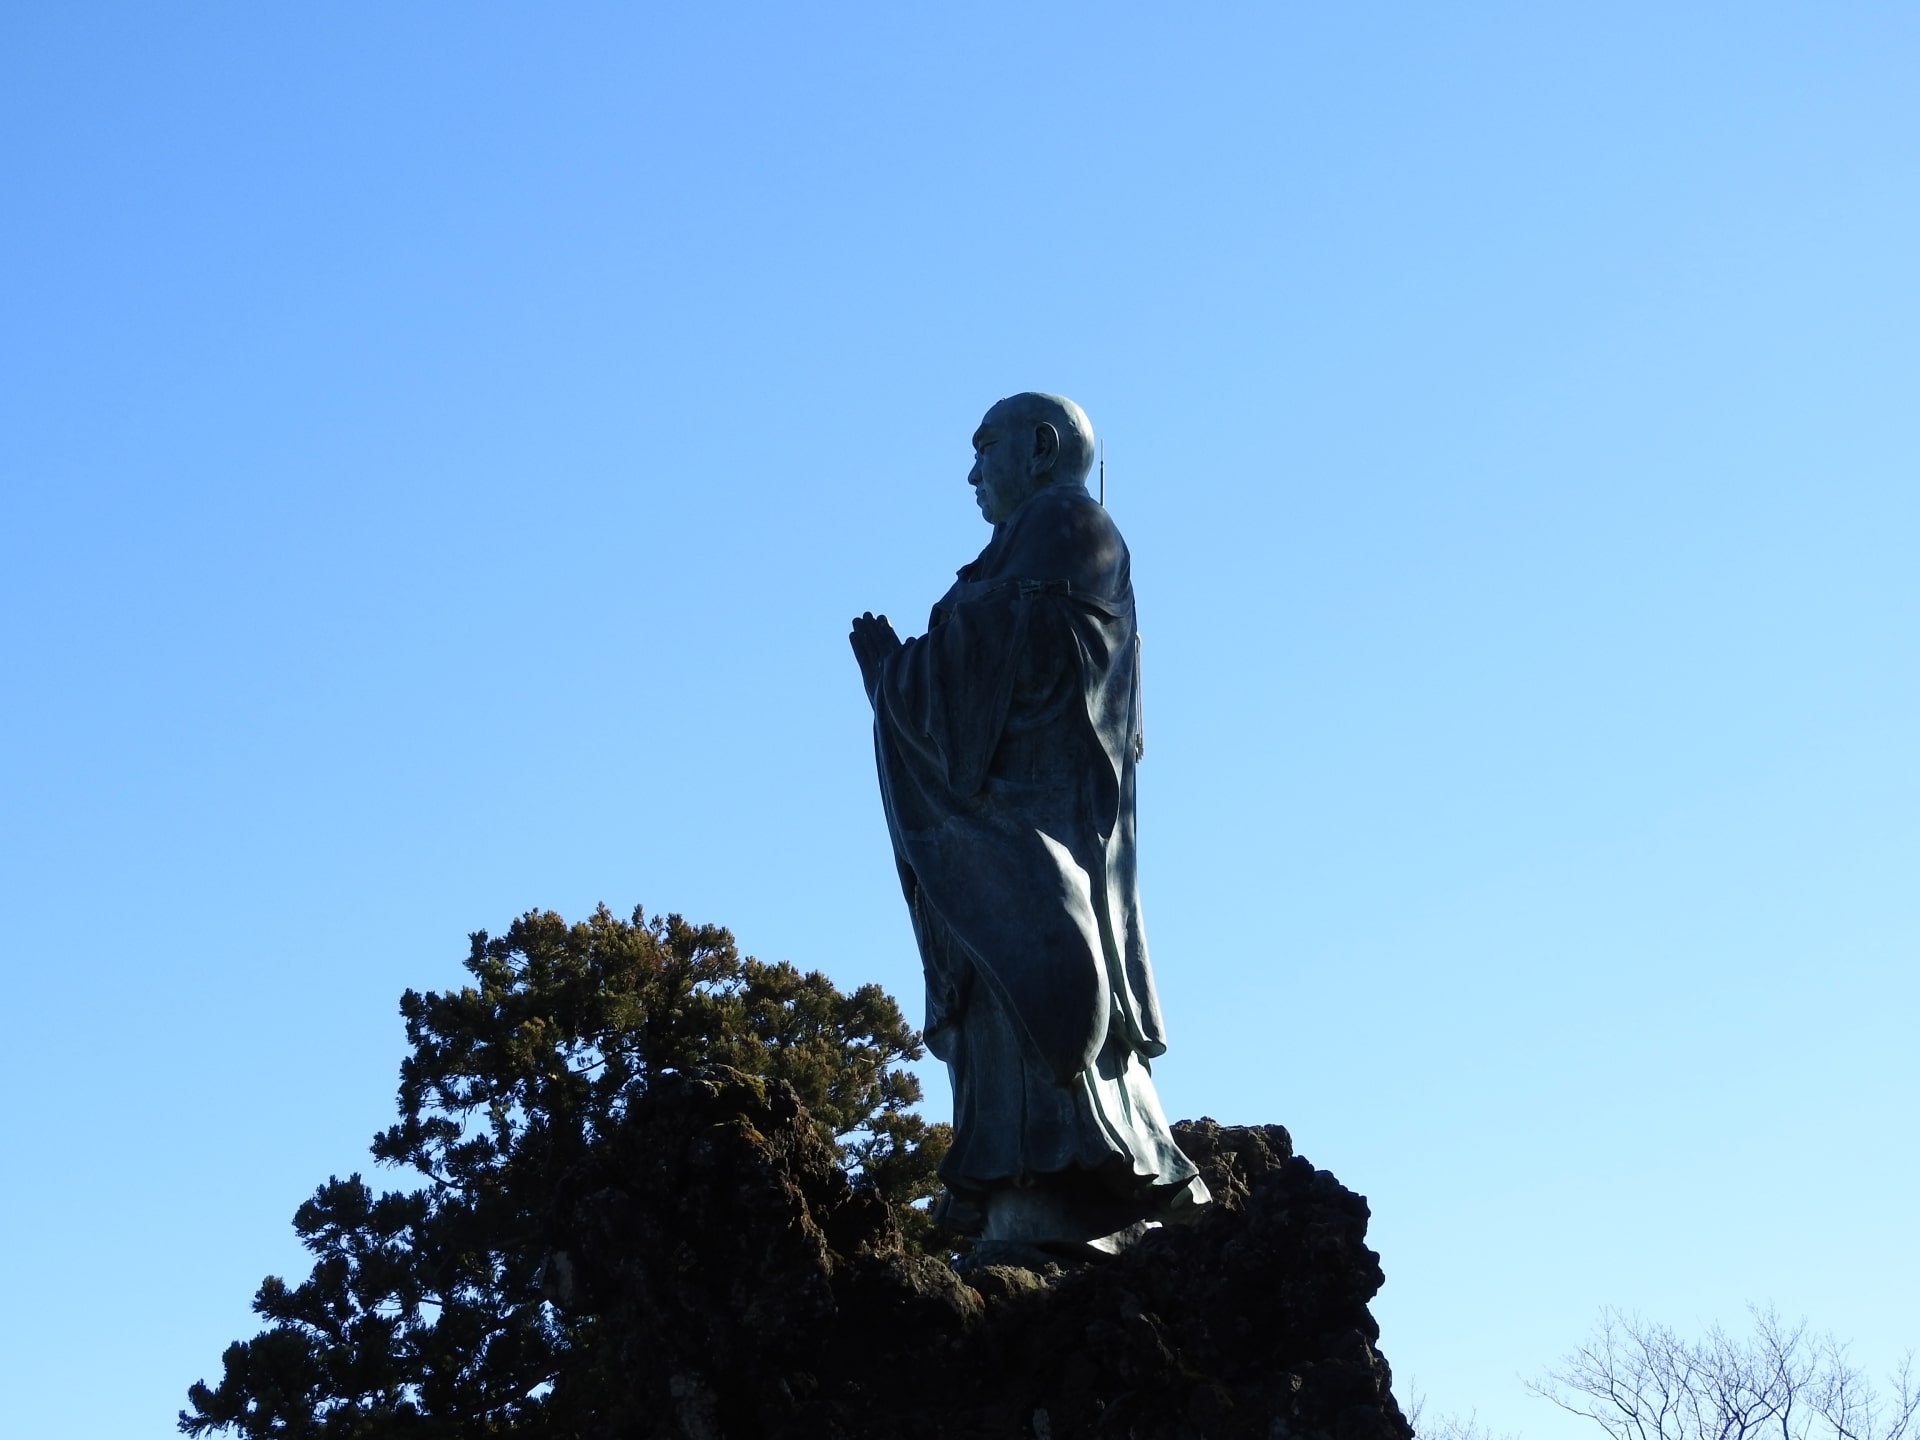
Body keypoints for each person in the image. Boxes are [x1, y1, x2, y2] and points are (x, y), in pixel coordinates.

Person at [850, 392, 1209, 1259]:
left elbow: (1026, 652)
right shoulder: (1016, 548)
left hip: (1040, 825)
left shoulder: (1070, 528)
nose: (973, 474)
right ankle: (1022, 1200)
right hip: (1000, 817)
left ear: (1042, 448)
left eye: (986, 450)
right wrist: (902, 675)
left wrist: (900, 672)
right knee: (997, 1002)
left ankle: (1069, 1197)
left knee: (1046, 974)